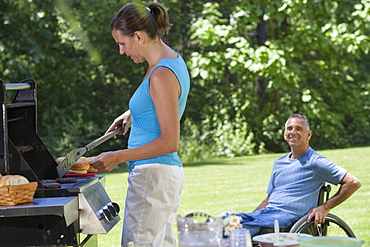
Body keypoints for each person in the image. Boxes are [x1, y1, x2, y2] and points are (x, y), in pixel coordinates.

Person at [90, 2, 190, 246]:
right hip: (161, 177)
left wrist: (118, 156)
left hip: (152, 176)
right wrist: (133, 113)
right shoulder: (168, 61)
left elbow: (169, 142)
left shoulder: (161, 74)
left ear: (138, 36)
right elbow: (162, 103)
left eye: (122, 44)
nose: (122, 51)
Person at [237, 114, 361, 236]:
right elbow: (268, 199)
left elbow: (353, 183)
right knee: (227, 221)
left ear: (309, 135)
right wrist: (252, 216)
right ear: (285, 134)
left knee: (237, 231)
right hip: (268, 214)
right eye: (289, 128)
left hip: (289, 218)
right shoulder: (279, 162)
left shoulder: (315, 162)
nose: (293, 132)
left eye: (298, 129)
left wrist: (325, 207)